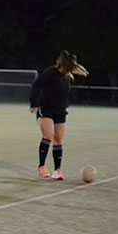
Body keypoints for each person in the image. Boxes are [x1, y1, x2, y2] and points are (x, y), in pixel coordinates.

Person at [29, 50, 88, 180]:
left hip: (60, 110)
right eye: (68, 68)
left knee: (58, 139)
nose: (69, 70)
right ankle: (42, 166)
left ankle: (57, 171)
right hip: (46, 109)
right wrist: (34, 103)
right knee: (48, 136)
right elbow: (36, 85)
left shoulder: (67, 77)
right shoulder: (50, 72)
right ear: (62, 65)